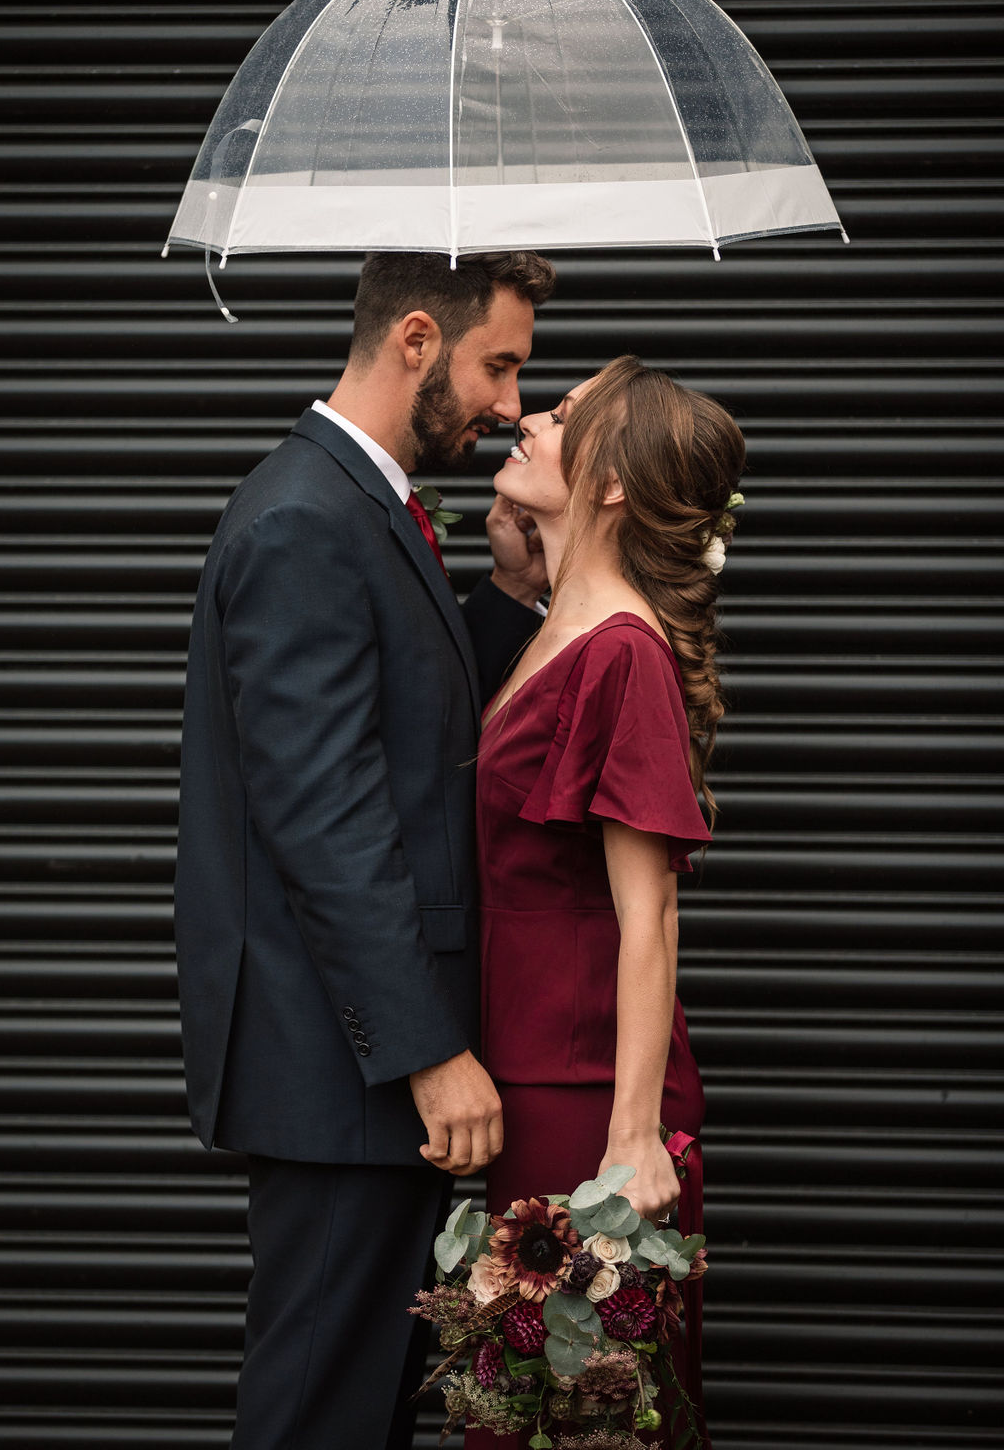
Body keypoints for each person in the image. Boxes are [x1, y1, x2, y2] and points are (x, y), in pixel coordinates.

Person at [173, 248, 556, 1450]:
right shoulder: (304, 519)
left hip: (356, 1064)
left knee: (361, 1398)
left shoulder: (358, 505)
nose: (508, 406)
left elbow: (402, 730)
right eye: (499, 366)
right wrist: (428, 1050)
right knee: (319, 1408)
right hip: (345, 1066)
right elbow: (327, 816)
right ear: (414, 341)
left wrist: (505, 600)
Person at [468, 355, 746, 1448]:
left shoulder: (622, 654)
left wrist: (633, 1138)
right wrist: (519, 579)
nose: (530, 418)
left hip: (589, 1095)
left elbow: (651, 915)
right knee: (527, 1406)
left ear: (614, 482)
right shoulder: (560, 626)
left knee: (584, 1417)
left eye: (564, 413)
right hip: (530, 1073)